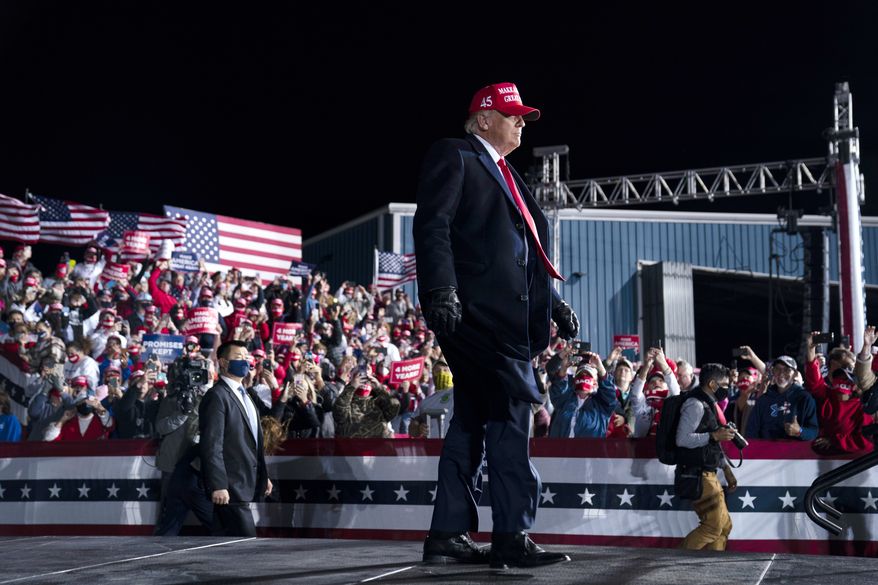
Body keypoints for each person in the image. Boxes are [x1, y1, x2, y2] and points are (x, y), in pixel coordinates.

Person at [413, 82, 578, 568]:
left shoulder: (510, 176)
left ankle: (446, 533)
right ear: (484, 119)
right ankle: (511, 534)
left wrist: (554, 303)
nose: (521, 122)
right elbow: (433, 224)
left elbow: (525, 257)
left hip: (508, 321)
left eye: (523, 116)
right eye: (513, 115)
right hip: (477, 316)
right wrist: (439, 289)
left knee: (471, 419)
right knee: (513, 413)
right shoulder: (457, 155)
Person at [199, 340, 272, 536]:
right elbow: (212, 444)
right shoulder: (217, 395)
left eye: (246, 358)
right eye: (238, 358)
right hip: (230, 487)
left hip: (244, 483)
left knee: (228, 547)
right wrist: (218, 485)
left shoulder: (245, 394)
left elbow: (253, 440)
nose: (245, 362)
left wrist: (263, 475)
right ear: (222, 362)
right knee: (245, 546)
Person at [674, 363, 737, 551]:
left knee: (724, 526)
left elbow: (713, 444)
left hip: (709, 473)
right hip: (698, 475)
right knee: (712, 526)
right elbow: (682, 439)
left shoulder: (709, 404)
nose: (727, 389)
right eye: (725, 385)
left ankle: (710, 567)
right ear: (712, 384)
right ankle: (674, 562)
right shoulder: (695, 404)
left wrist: (726, 469)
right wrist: (713, 435)